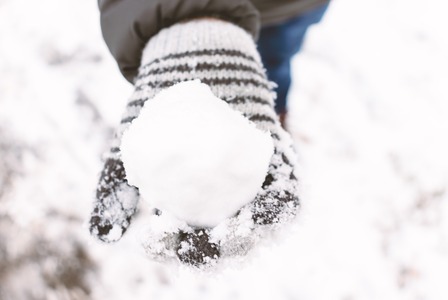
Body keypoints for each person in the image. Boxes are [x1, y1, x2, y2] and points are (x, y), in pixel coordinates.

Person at [90, 0, 327, 266]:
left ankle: (276, 114)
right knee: (272, 65)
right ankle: (275, 114)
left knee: (275, 64)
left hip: (290, 7)